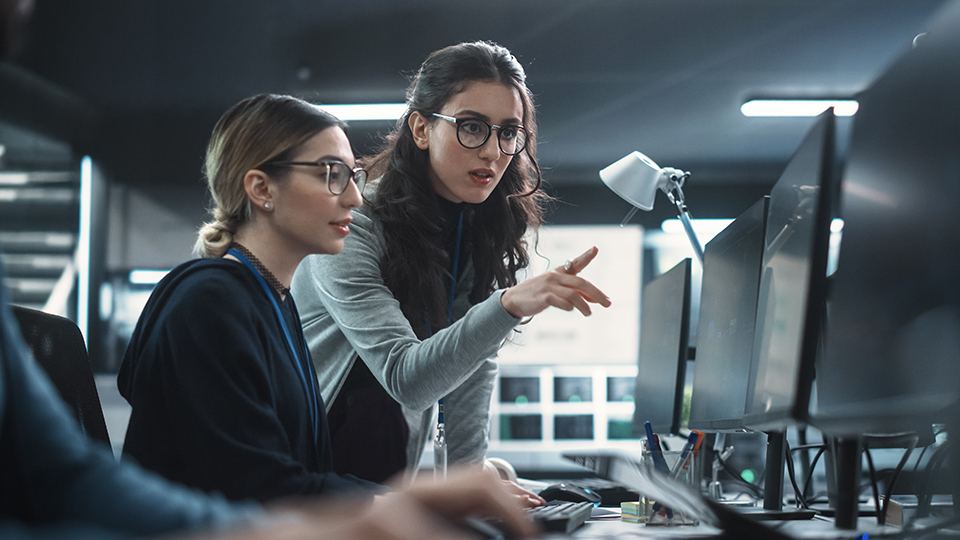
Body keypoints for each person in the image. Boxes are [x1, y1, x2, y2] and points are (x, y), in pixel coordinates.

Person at [291, 40, 611, 483]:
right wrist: (507, 305)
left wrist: (468, 488)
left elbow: (470, 368)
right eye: (471, 127)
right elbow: (409, 379)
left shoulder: (476, 227)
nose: (493, 152)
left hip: (385, 484)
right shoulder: (352, 225)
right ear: (421, 130)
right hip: (311, 487)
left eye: (507, 132)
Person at [116, 94, 377, 502]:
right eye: (331, 174)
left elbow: (298, 476)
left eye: (353, 176)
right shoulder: (210, 302)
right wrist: (406, 505)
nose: (354, 198)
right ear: (261, 188)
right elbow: (259, 488)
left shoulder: (271, 298)